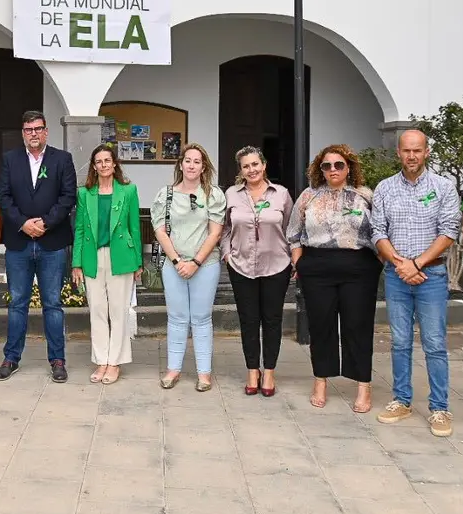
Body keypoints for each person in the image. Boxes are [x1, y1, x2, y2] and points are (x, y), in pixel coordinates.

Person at [371, 130, 461, 437]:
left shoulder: (443, 187)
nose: (412, 156)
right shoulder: (384, 188)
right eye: (407, 150)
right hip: (397, 276)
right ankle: (402, 400)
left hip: (431, 276)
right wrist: (400, 264)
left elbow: (449, 231)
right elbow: (377, 232)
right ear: (398, 152)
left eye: (417, 150)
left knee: (434, 343)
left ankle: (439, 407)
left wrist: (417, 264)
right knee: (399, 342)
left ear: (426, 152)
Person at [286, 144, 381, 413]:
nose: (333, 170)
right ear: (320, 169)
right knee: (321, 326)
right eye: (326, 166)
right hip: (317, 266)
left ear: (349, 167)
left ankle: (363, 385)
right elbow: (293, 233)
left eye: (338, 165)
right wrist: (299, 261)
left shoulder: (364, 196)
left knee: (357, 326)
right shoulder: (309, 196)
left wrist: (381, 261)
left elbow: (380, 230)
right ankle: (321, 381)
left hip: (358, 266)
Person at [0, 110, 77, 383]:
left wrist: (45, 223)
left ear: (46, 132)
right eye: (29, 129)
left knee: (52, 304)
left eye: (38, 129)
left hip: (51, 242)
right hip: (19, 242)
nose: (33, 133)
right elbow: (3, 197)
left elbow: (68, 197)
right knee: (17, 302)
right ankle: (11, 358)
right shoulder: (10, 159)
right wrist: (23, 223)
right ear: (23, 132)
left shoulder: (62, 159)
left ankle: (57, 359)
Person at [152, 143, 226, 392]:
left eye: (197, 161)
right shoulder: (166, 194)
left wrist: (195, 262)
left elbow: (215, 233)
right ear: (180, 164)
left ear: (203, 166)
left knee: (202, 318)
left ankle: (204, 373)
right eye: (188, 160)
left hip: (205, 265)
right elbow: (160, 230)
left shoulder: (214, 195)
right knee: (177, 317)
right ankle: (173, 369)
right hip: (174, 264)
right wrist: (176, 261)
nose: (192, 165)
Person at [221, 146, 293, 397]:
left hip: (276, 265)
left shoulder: (281, 194)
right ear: (240, 170)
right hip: (241, 266)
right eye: (246, 166)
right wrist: (227, 254)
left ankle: (270, 371)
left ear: (264, 165)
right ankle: (253, 369)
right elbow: (225, 228)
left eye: (255, 164)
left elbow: (290, 229)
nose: (251, 170)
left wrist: (292, 258)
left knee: (272, 320)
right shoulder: (231, 194)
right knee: (248, 320)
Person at [71, 144, 143, 385]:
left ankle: (115, 363)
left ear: (115, 164)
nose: (103, 165)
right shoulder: (85, 194)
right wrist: (77, 263)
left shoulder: (129, 191)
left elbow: (135, 227)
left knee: (118, 311)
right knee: (98, 310)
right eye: (98, 161)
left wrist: (139, 263)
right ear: (94, 165)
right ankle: (101, 360)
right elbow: (79, 229)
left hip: (120, 256)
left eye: (107, 160)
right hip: (93, 256)